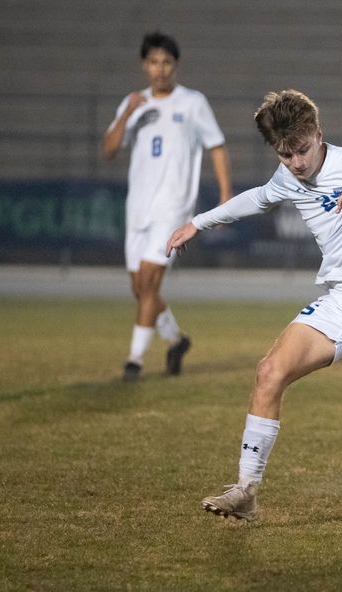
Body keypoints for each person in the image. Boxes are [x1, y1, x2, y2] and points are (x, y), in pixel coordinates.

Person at [165, 89, 342, 528]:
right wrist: (197, 223)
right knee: (269, 371)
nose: (294, 162)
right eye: (284, 153)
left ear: (319, 133)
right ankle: (247, 492)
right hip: (341, 299)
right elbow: (255, 198)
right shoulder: (287, 175)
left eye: (301, 150)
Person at [101, 31, 233, 382]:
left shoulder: (192, 103)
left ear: (175, 65)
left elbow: (216, 146)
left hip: (173, 208)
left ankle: (134, 360)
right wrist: (127, 112)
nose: (160, 69)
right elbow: (109, 149)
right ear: (145, 65)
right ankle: (176, 340)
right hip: (138, 208)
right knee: (141, 289)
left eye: (167, 63)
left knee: (149, 281)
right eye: (154, 62)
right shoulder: (135, 104)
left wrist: (224, 196)